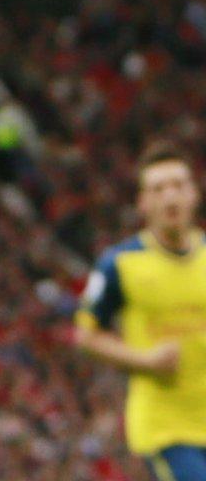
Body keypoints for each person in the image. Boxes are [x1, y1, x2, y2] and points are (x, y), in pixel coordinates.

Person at [76, 142, 206, 481]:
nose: (170, 197)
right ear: (143, 202)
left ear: (194, 193)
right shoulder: (119, 264)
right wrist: (144, 360)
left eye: (178, 186)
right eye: (158, 189)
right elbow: (86, 335)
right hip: (168, 430)